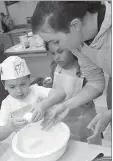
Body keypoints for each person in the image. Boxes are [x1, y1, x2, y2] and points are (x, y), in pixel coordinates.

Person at [32, 1, 111, 142]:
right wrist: (66, 106)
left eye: (56, 41)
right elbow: (95, 82)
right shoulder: (78, 40)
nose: (58, 47)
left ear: (75, 25)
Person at [0, 56, 66, 141]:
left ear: (29, 79)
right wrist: (11, 126)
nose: (19, 91)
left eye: (23, 84)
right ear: (5, 86)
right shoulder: (7, 104)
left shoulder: (36, 90)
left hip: (47, 134)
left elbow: (61, 94)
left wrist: (42, 105)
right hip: (26, 141)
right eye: (12, 87)